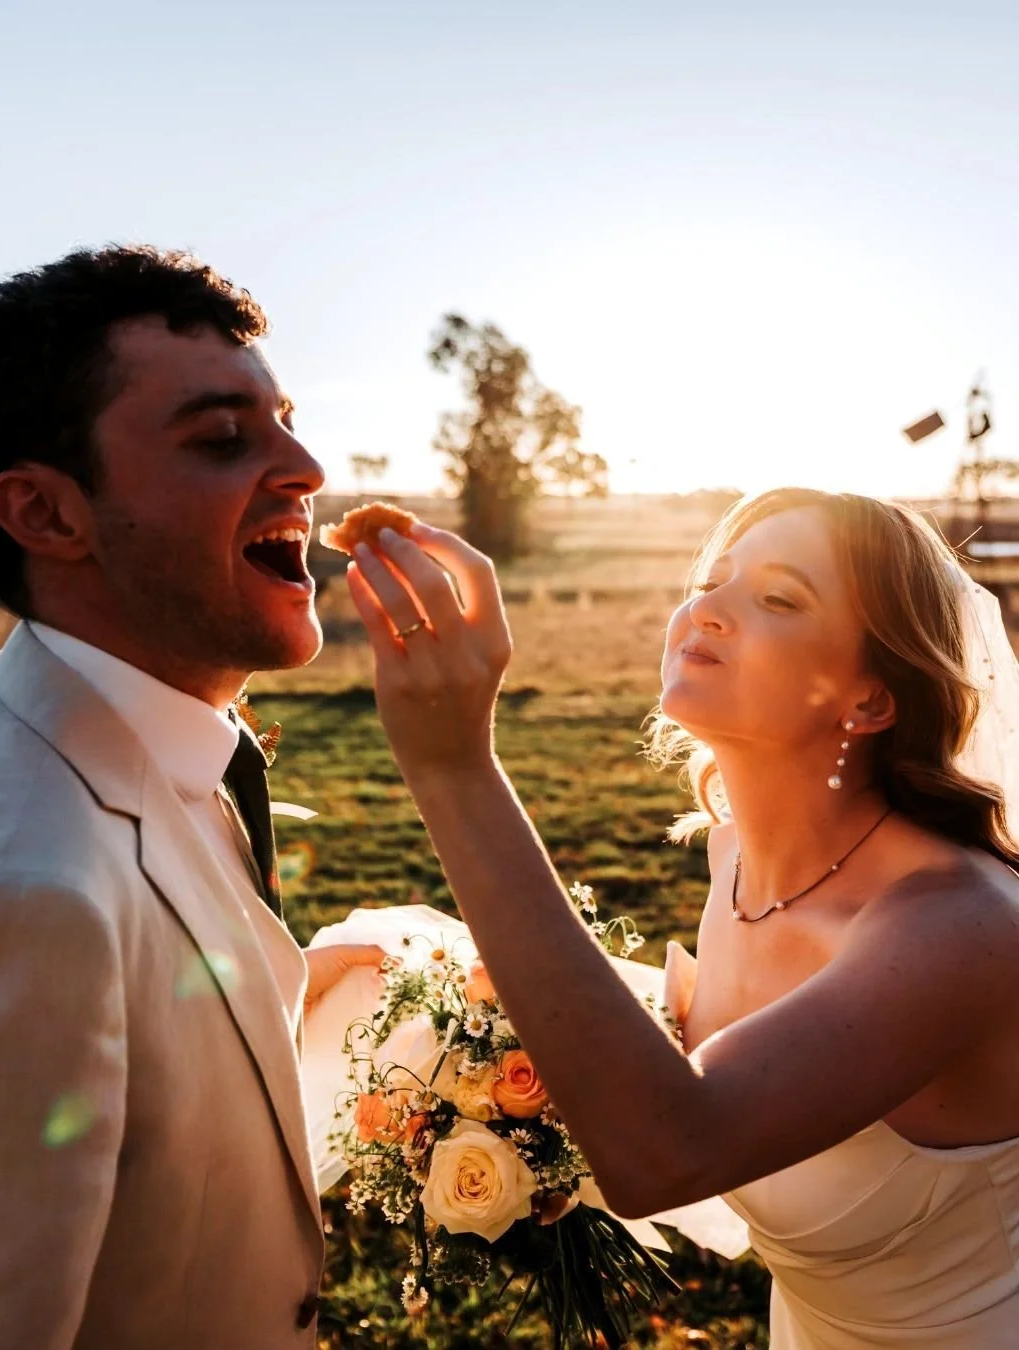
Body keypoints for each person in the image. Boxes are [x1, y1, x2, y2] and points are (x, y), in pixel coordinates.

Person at [347, 487, 1019, 1348]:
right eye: (713, 579)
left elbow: (666, 1145)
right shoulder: (734, 858)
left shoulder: (961, 927)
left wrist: (453, 767)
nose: (708, 606)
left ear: (871, 700)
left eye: (777, 598)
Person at [0, 246, 383, 1349]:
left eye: (285, 419)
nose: (308, 467)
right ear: (45, 513)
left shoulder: (18, 716)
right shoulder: (33, 907)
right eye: (224, 439)